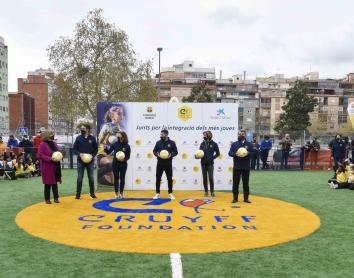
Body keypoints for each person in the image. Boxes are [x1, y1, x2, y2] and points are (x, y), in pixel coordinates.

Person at [228, 129, 254, 203]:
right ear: (238, 135)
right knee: (235, 183)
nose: (241, 135)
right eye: (239, 134)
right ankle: (235, 198)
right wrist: (235, 154)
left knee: (246, 183)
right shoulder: (234, 144)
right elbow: (230, 153)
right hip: (237, 167)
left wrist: (247, 153)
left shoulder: (249, 144)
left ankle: (246, 198)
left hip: (246, 167)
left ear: (245, 135)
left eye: (242, 134)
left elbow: (253, 153)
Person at [73, 124, 98, 199]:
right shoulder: (78, 138)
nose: (82, 130)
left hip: (90, 161)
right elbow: (74, 149)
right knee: (80, 177)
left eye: (83, 128)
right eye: (81, 128)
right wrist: (79, 154)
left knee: (91, 177)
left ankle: (92, 194)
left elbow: (96, 149)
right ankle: (78, 195)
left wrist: (92, 156)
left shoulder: (92, 138)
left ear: (87, 129)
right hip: (80, 161)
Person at [153, 129, 178, 200]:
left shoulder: (172, 143)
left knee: (169, 179)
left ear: (166, 134)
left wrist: (171, 155)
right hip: (160, 163)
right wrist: (157, 154)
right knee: (158, 178)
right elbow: (154, 151)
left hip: (168, 163)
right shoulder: (158, 142)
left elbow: (176, 152)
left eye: (162, 134)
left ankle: (170, 193)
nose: (161, 135)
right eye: (160, 134)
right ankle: (157, 193)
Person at [104, 131, 131, 198]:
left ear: (122, 136)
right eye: (117, 134)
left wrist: (123, 160)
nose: (117, 135)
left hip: (123, 164)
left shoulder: (127, 146)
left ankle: (121, 193)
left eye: (119, 134)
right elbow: (108, 152)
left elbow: (128, 157)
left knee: (122, 178)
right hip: (115, 164)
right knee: (116, 179)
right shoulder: (115, 144)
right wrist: (105, 149)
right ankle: (116, 193)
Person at [38, 131, 62, 204]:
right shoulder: (43, 144)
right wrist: (49, 158)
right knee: (48, 183)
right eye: (51, 134)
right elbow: (40, 155)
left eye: (52, 134)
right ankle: (47, 199)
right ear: (47, 136)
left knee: (55, 182)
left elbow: (58, 152)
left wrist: (60, 156)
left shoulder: (54, 143)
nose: (52, 136)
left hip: (56, 165)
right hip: (47, 166)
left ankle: (56, 198)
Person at [196, 131, 220, 197]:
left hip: (210, 164)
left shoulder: (214, 144)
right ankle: (206, 192)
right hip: (203, 163)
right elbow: (199, 153)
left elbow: (218, 153)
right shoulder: (202, 144)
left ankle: (212, 192)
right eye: (203, 135)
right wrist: (197, 156)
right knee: (204, 178)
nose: (204, 137)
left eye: (205, 135)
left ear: (209, 135)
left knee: (211, 178)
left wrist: (212, 158)